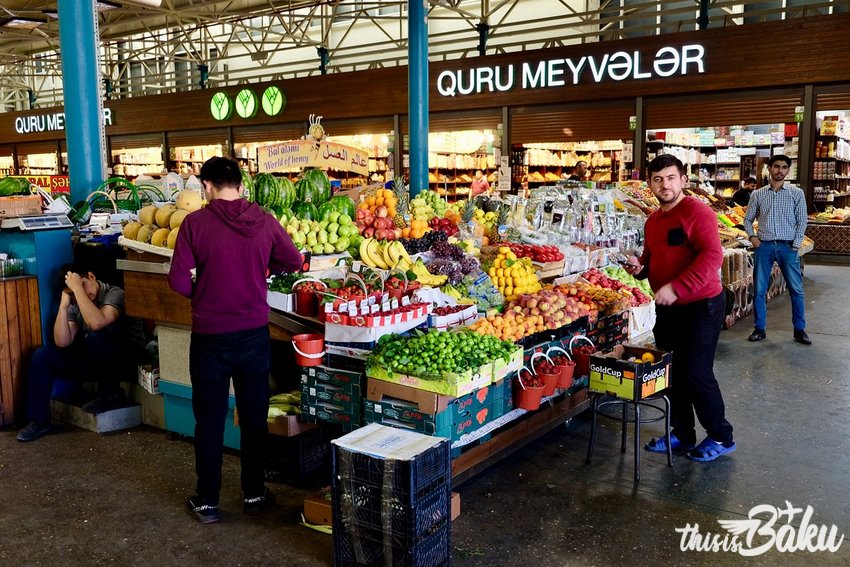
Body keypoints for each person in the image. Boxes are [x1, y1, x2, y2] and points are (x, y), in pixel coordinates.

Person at [168, 156, 302, 524]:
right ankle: (255, 493)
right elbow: (294, 260)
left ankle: (208, 501)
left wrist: (203, 289)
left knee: (209, 420)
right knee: (254, 417)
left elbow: (178, 281)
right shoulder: (264, 221)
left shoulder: (195, 224)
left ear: (207, 187)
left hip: (210, 338)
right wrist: (260, 269)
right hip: (255, 336)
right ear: (240, 186)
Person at [625, 154, 735, 463]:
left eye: (671, 178)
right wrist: (640, 268)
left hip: (702, 305)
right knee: (672, 373)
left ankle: (721, 436)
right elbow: (653, 258)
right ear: (650, 184)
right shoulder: (654, 220)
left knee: (697, 372)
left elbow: (712, 256)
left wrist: (677, 287)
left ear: (683, 180)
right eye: (658, 179)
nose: (665, 185)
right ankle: (683, 433)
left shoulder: (698, 213)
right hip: (669, 308)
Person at [16, 266, 146, 442]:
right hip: (96, 359)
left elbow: (97, 323)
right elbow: (62, 341)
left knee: (96, 334)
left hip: (126, 361)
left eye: (84, 284)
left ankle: (112, 394)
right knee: (43, 355)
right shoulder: (76, 299)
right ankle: (40, 421)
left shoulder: (115, 293)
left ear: (92, 276)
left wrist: (78, 288)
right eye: (76, 290)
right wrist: (63, 306)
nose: (81, 292)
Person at [743, 154, 810, 345]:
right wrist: (752, 237)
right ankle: (759, 329)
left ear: (788, 170)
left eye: (783, 167)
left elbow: (802, 220)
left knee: (796, 290)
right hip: (763, 246)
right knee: (760, 290)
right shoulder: (758, 194)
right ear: (770, 169)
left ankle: (800, 330)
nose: (779, 171)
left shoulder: (796, 194)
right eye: (776, 167)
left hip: (787, 247)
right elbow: (747, 219)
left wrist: (796, 244)